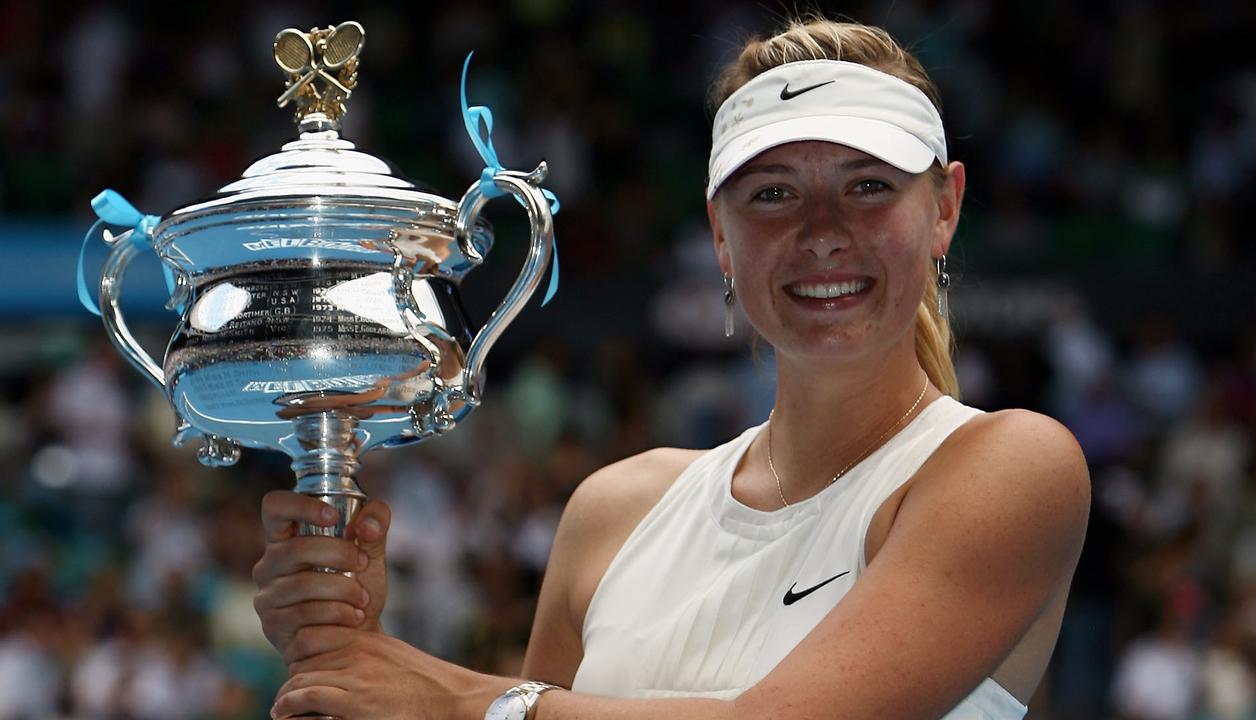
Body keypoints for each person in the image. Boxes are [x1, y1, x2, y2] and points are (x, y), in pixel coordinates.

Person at [254, 17, 1089, 720]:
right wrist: (351, 653)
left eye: (868, 186)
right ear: (719, 236)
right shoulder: (613, 510)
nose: (823, 230)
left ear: (942, 208)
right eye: (771, 194)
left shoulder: (1015, 467)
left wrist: (463, 700)